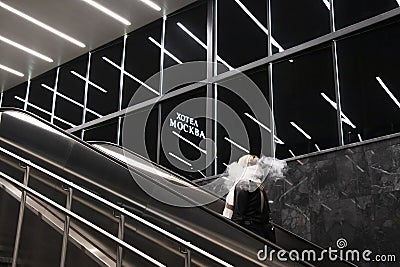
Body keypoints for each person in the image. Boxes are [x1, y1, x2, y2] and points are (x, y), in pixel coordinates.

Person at [223, 154, 279, 242]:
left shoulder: (243, 184)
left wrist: (230, 233)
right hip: (259, 232)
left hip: (247, 233)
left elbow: (239, 214)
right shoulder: (258, 185)